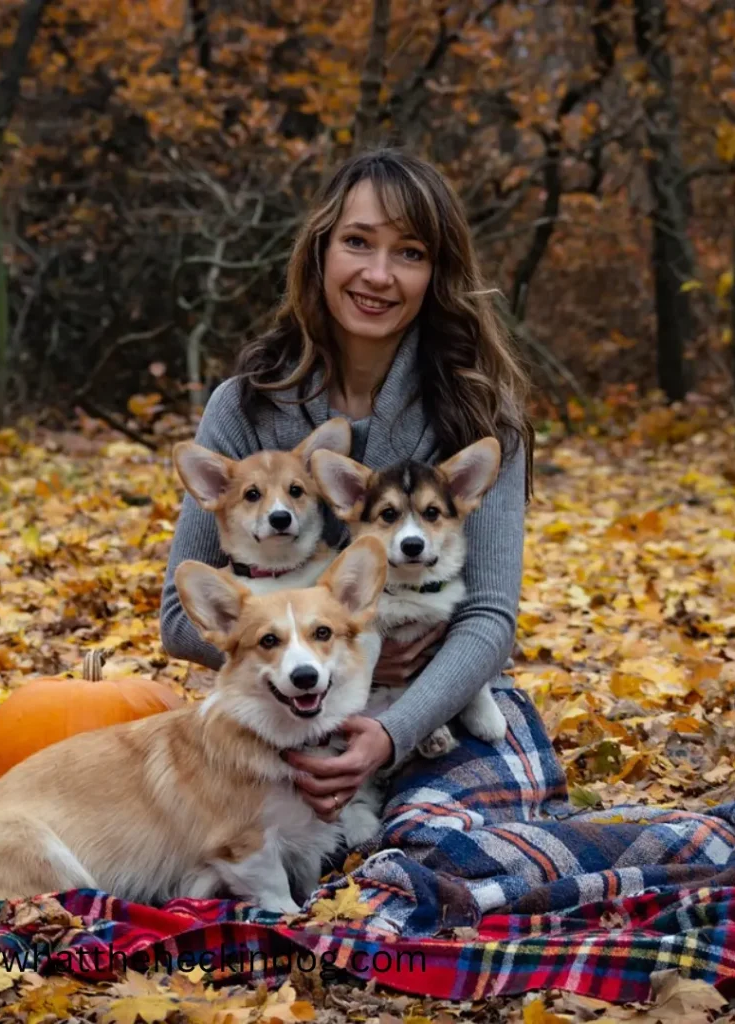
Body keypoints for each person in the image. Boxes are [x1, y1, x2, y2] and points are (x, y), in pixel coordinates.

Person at [159, 147, 534, 825]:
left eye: (410, 252)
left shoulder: (482, 417)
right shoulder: (246, 407)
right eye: (358, 242)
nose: (379, 275)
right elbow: (179, 620)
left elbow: (488, 617)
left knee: (444, 849)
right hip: (287, 712)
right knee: (265, 858)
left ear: (435, 273)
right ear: (320, 251)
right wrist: (348, 653)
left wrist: (394, 734)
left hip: (440, 704)